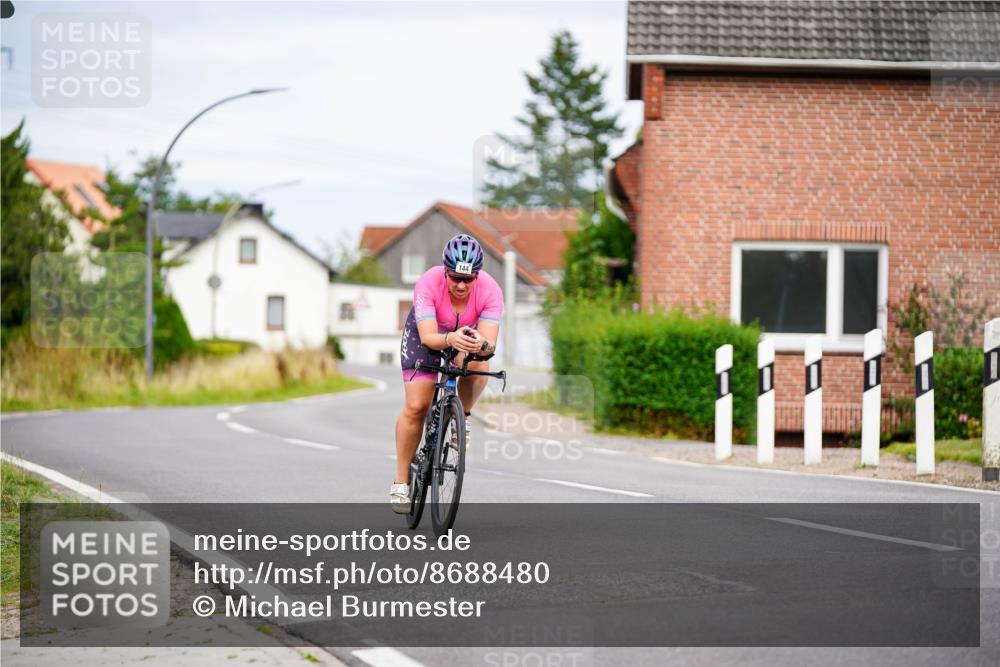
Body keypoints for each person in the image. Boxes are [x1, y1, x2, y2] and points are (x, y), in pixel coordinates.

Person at [391, 234, 502, 513]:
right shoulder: (429, 282)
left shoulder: (491, 290)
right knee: (417, 406)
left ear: (477, 275)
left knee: (479, 364)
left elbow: (490, 344)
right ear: (445, 272)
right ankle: (401, 481)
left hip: (463, 338)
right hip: (425, 338)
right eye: (455, 278)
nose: (462, 285)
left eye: (469, 279)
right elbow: (429, 337)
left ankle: (461, 415)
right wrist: (449, 339)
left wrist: (481, 345)